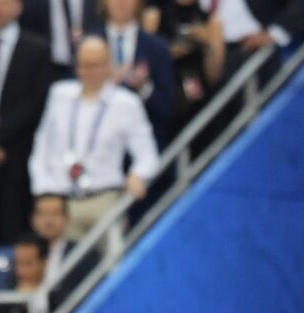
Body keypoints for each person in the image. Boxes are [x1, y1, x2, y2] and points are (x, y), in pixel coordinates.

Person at [28, 36, 159, 243]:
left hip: (105, 199)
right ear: (76, 66)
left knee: (110, 265)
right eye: (85, 65)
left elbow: (148, 155)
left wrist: (138, 175)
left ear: (109, 65)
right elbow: (42, 145)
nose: (90, 71)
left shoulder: (126, 103)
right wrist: (43, 189)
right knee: (60, 269)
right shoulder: (59, 94)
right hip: (61, 202)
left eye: (96, 65)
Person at [0, 0, 52, 247]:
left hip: (16, 155)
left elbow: (36, 103)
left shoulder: (37, 49)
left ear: (19, 6)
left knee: (14, 233)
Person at [95, 0, 173, 144]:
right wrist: (105, 83)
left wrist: (144, 87)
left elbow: (166, 110)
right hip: (98, 145)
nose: (121, 2)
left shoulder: (158, 48)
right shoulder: (88, 46)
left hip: (143, 143)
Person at [146, 0, 223, 136]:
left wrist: (208, 44)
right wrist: (167, 52)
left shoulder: (210, 21)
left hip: (199, 95)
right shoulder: (155, 15)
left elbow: (214, 76)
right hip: (166, 98)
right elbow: (144, 61)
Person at [0, 232, 47, 313]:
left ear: (44, 262)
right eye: (17, 263)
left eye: (28, 263)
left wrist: (29, 304)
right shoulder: (10, 285)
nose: (21, 271)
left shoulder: (57, 288)